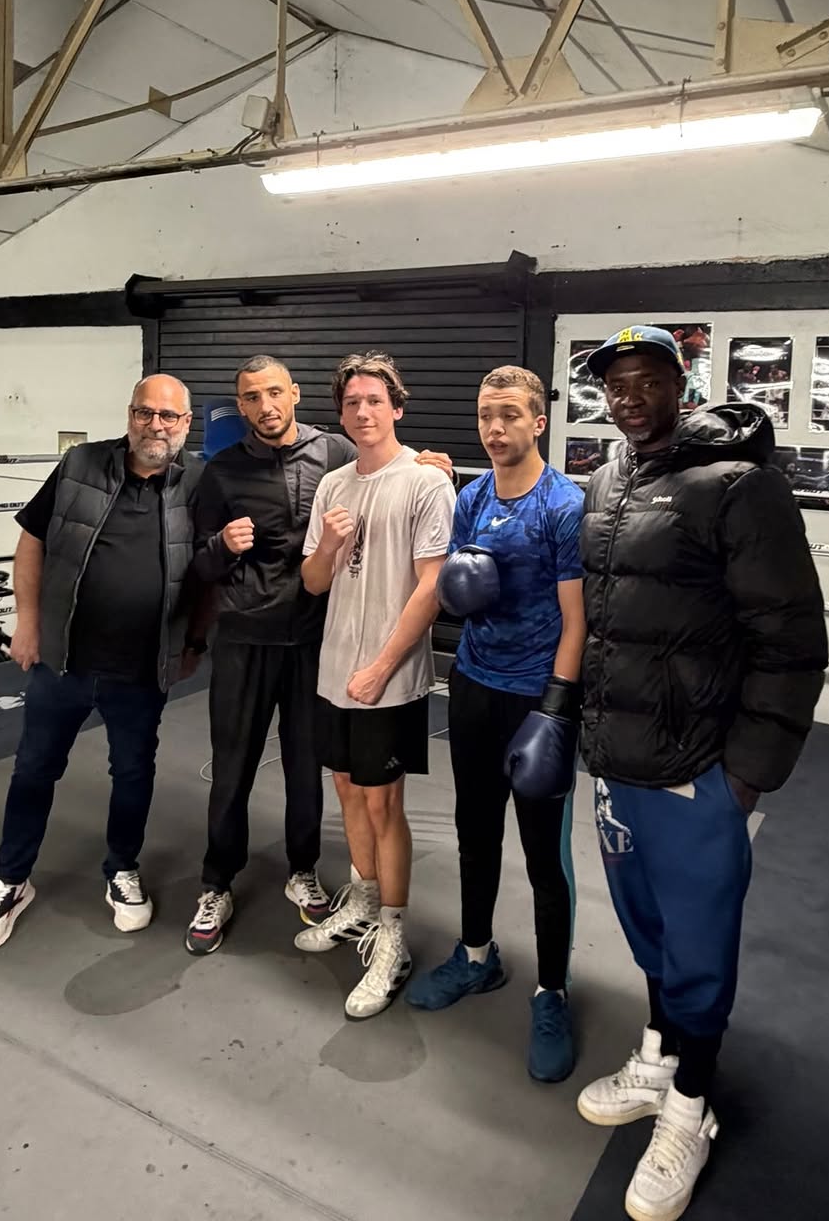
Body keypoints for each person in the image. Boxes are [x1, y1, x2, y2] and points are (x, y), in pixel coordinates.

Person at [574, 325, 828, 1221]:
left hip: (696, 773)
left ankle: (690, 1107)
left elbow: (790, 639)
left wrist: (746, 775)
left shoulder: (740, 487)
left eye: (647, 380)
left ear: (682, 385)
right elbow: (605, 624)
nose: (629, 397)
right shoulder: (607, 480)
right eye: (616, 385)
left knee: (700, 949)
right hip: (619, 762)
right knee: (648, 931)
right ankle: (659, 1056)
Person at [183, 355, 452, 956]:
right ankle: (216, 883)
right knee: (233, 766)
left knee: (311, 768)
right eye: (252, 397)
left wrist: (433, 464)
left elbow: (386, 464)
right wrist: (222, 547)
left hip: (315, 640)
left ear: (295, 394)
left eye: (274, 392)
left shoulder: (333, 452)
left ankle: (303, 870)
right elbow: (198, 563)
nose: (265, 406)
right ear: (240, 405)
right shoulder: (220, 472)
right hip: (247, 639)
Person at [0, 376, 205, 956]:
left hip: (142, 667)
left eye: (168, 416)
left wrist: (195, 642)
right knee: (33, 770)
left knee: (133, 773)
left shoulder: (199, 481)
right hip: (64, 660)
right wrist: (26, 621)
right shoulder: (80, 465)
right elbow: (32, 540)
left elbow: (211, 564)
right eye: (145, 413)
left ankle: (122, 869)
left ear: (186, 423)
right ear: (130, 414)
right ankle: (10, 880)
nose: (155, 425)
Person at [406, 366, 586, 1084]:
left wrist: (556, 707)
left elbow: (577, 620)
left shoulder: (563, 504)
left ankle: (552, 993)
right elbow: (458, 594)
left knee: (545, 858)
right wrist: (460, 590)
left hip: (536, 698)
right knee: (474, 833)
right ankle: (477, 955)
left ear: (538, 422)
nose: (495, 427)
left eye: (509, 414)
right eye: (486, 414)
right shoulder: (472, 497)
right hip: (474, 687)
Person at [296, 353, 454, 1020]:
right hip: (335, 667)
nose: (363, 411)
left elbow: (433, 586)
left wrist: (384, 665)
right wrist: (330, 546)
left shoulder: (425, 481)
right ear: (341, 413)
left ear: (397, 407)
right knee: (345, 787)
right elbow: (313, 582)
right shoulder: (333, 485)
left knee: (383, 803)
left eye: (374, 400)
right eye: (351, 402)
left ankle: (393, 933)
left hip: (389, 676)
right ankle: (362, 898)